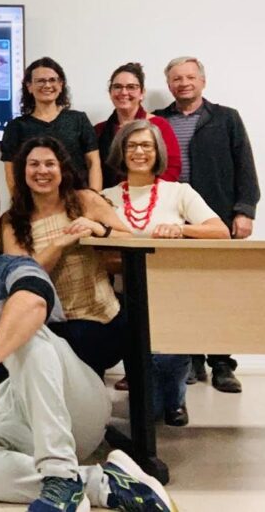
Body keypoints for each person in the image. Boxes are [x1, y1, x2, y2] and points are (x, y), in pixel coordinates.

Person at [0, 205, 177, 511]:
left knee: (25, 332)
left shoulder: (11, 267)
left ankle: (60, 474)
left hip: (74, 401)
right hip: (15, 415)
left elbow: (33, 303)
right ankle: (99, 484)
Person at [102, 120, 230, 426]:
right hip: (122, 295)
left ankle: (175, 398)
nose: (139, 152)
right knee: (148, 407)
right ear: (121, 151)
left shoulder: (179, 192)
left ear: (157, 151)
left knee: (164, 397)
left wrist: (181, 229)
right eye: (131, 146)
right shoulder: (105, 196)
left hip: (170, 295)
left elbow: (220, 231)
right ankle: (150, 395)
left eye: (146, 145)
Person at [155, 56, 260, 393]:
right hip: (173, 218)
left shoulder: (225, 118)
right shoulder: (159, 121)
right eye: (176, 79)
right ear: (169, 84)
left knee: (219, 292)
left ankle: (222, 364)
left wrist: (244, 210)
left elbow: (245, 164)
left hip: (216, 217)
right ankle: (189, 360)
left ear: (202, 81)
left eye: (189, 77)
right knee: (178, 290)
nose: (183, 83)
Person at [1, 137, 130, 378]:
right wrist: (59, 243)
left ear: (62, 169)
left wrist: (99, 228)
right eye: (34, 164)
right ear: (23, 171)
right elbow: (21, 276)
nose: (42, 171)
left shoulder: (86, 200)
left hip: (103, 319)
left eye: (50, 164)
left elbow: (130, 240)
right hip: (49, 326)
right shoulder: (11, 221)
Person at [1, 57, 102, 192]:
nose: (47, 85)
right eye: (40, 81)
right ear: (29, 86)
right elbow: (11, 173)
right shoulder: (16, 127)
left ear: (61, 85)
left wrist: (94, 198)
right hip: (36, 204)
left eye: (52, 80)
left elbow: (93, 163)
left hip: (78, 201)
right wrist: (20, 206)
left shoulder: (79, 119)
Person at [95, 62, 181, 189]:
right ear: (110, 92)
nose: (124, 92)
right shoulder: (99, 130)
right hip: (109, 200)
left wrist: (147, 193)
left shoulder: (158, 125)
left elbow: (172, 167)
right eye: (117, 87)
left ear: (142, 92)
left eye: (131, 87)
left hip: (151, 198)